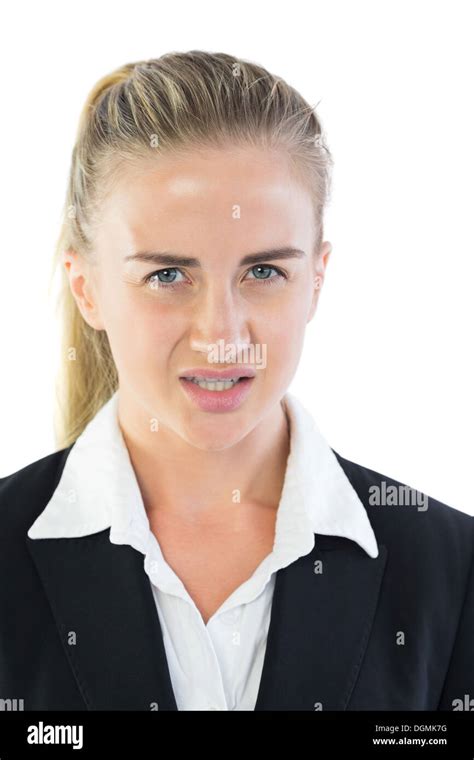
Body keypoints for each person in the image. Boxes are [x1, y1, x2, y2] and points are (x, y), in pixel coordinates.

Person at [0, 51, 472, 712]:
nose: (220, 334)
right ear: (88, 288)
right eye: (167, 275)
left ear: (316, 279)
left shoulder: (453, 575)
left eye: (263, 272)